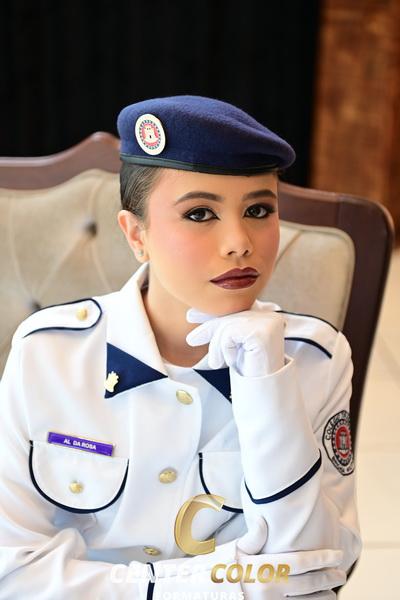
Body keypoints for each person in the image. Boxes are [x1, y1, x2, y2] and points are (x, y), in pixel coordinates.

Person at [0, 95, 361, 599]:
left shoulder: (313, 359)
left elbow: (314, 573)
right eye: (200, 213)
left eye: (258, 209)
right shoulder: (50, 353)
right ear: (136, 235)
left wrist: (268, 387)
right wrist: (213, 587)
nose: (239, 242)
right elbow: (13, 571)